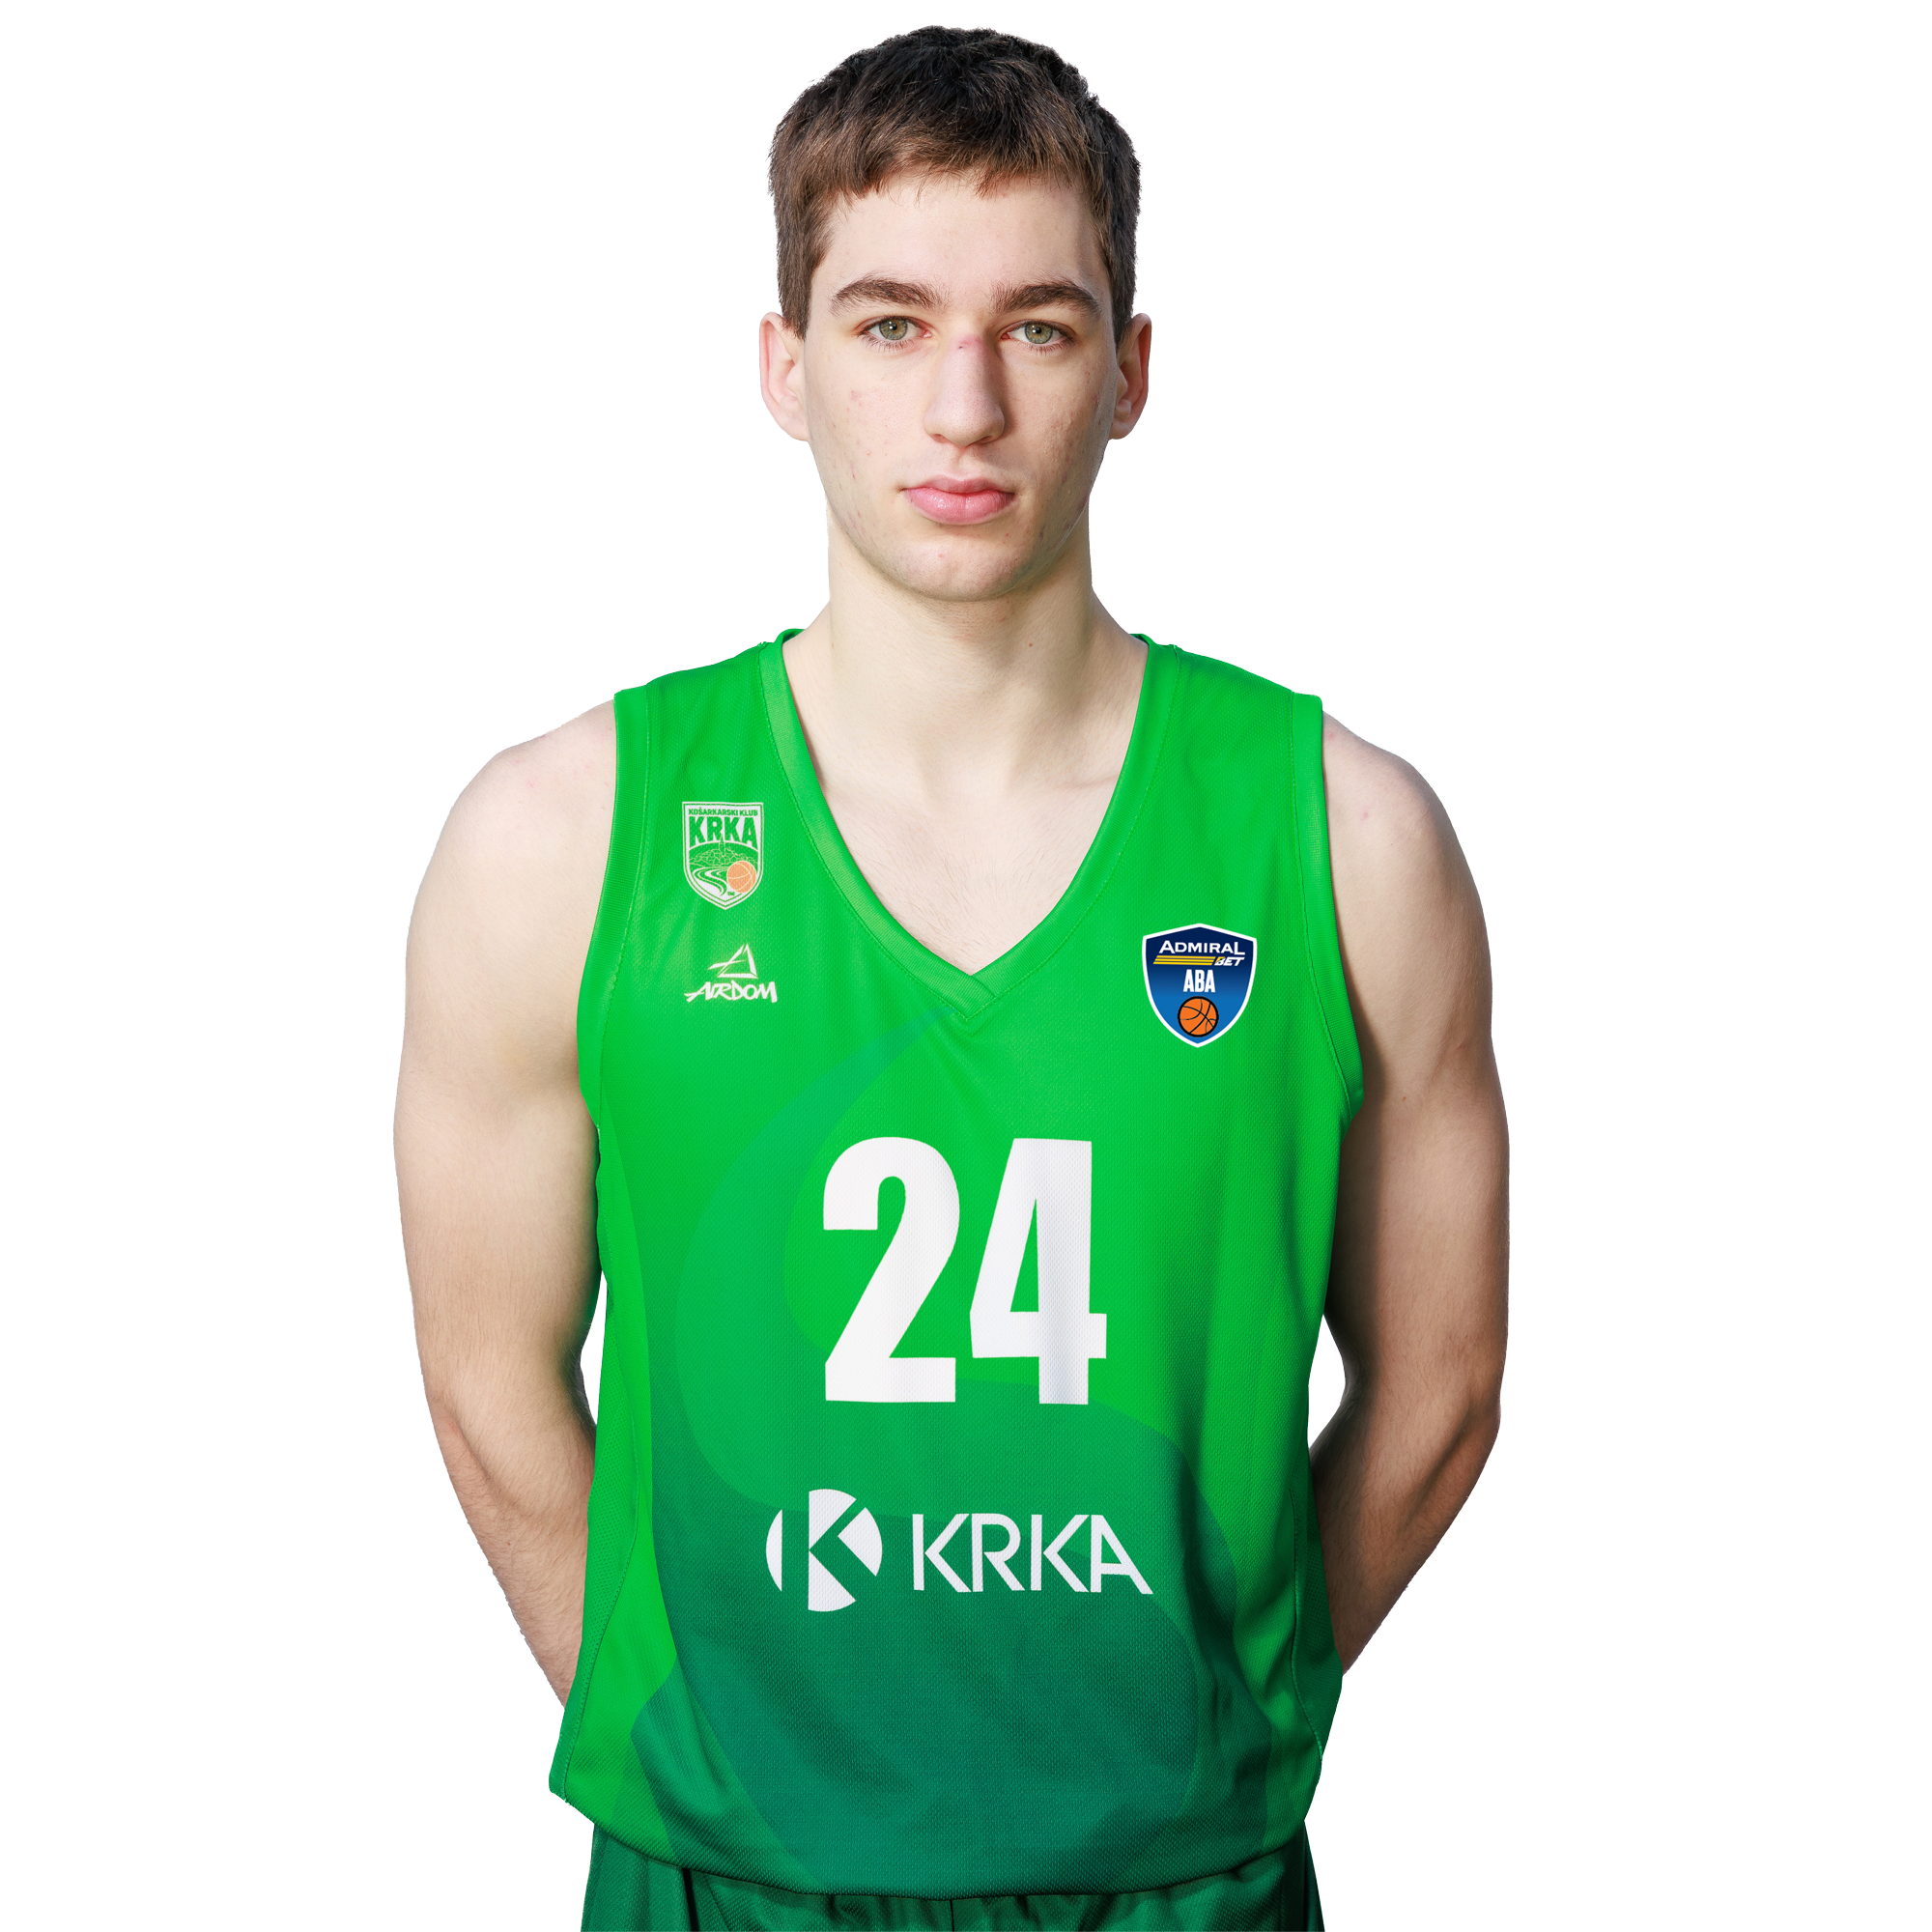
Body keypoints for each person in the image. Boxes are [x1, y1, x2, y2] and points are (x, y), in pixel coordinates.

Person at [396, 26, 1508, 1931]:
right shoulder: (562, 836)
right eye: (891, 323)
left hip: (1176, 1881)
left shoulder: (1346, 836)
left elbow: (1444, 1385)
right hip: (729, 1876)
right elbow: (486, 1372)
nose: (964, 404)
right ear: (785, 364)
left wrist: (1208, 1718)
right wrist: (710, 1742)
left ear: (1130, 370)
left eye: (1038, 328)